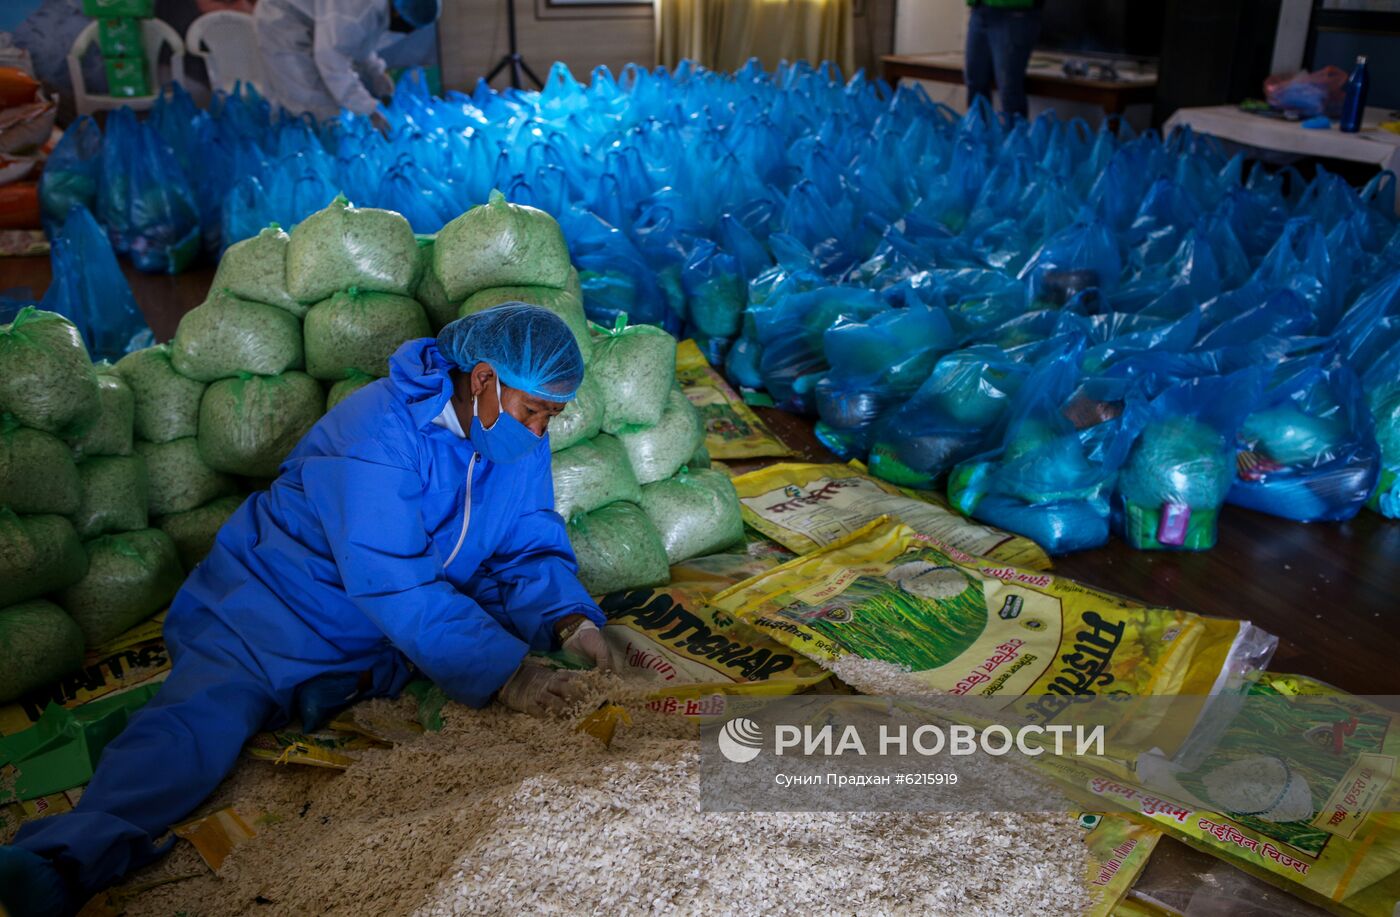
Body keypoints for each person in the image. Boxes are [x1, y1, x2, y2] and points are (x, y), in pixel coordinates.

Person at [0, 304, 612, 917]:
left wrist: (570, 620)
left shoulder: (514, 439)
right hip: (273, 609)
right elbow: (395, 584)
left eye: (550, 418)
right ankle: (61, 859)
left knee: (508, 625)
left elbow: (527, 540)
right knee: (199, 725)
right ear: (483, 380)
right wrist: (514, 676)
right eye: (534, 412)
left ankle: (339, 687)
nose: (538, 432)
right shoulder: (377, 432)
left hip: (386, 630)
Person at [254, 0, 440, 121]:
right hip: (283, 22)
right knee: (310, 104)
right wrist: (370, 110)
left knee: (330, 103)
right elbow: (332, 62)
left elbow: (358, 45)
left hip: (311, 21)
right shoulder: (356, 12)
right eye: (409, 27)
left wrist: (377, 76)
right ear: (399, 14)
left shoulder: (376, 8)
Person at [963, 0, 1043, 120]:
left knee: (1009, 89)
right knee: (975, 83)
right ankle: (978, 136)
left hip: (1012, 12)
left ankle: (1014, 137)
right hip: (980, 9)